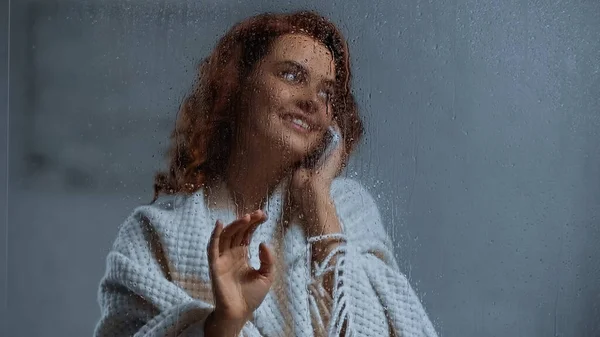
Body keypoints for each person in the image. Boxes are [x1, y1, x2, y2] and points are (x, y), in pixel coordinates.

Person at [94, 10, 438, 337]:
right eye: (292, 75)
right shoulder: (153, 234)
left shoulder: (347, 209)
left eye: (327, 93)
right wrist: (222, 323)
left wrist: (319, 208)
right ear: (239, 86)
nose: (312, 101)